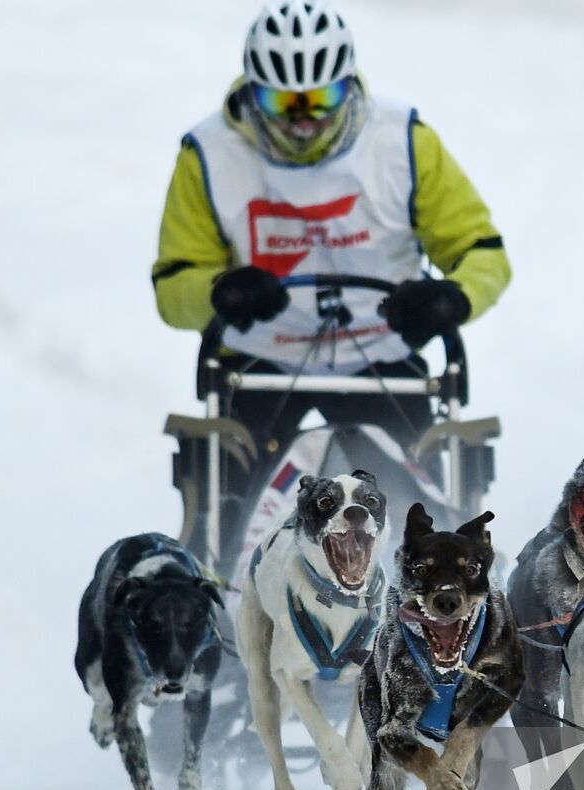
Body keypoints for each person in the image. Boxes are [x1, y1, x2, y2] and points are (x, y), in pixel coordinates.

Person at [152, 0, 510, 546]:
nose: (303, 118)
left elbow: (482, 252)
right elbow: (173, 287)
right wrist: (219, 293)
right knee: (231, 520)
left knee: (421, 516)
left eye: (321, 98)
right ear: (252, 92)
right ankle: (227, 593)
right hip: (261, 364)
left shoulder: (403, 142)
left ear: (348, 84)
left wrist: (452, 298)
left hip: (382, 357)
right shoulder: (208, 155)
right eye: (282, 100)